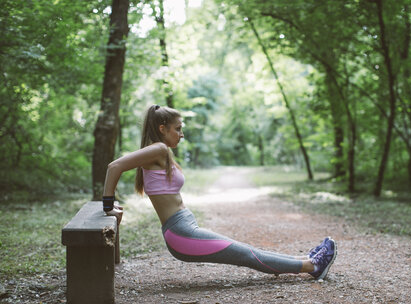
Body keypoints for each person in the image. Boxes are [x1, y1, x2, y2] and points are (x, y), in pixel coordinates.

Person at [102, 105, 337, 280]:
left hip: (184, 228)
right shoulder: (159, 149)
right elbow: (115, 166)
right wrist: (107, 204)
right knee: (246, 254)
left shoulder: (159, 151)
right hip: (181, 234)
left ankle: (304, 260)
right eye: (178, 129)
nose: (181, 134)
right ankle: (312, 267)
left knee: (246, 250)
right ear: (162, 129)